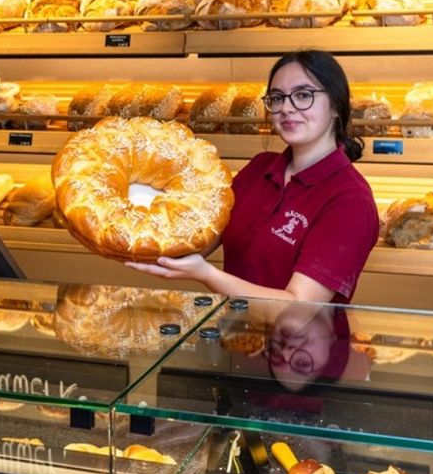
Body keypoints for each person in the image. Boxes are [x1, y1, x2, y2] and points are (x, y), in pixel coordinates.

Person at [126, 49, 379, 304]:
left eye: (303, 95)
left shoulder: (350, 200)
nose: (286, 108)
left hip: (305, 344)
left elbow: (299, 309)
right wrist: (139, 198)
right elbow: (197, 241)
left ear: (336, 105)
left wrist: (206, 274)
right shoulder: (260, 169)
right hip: (236, 338)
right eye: (277, 98)